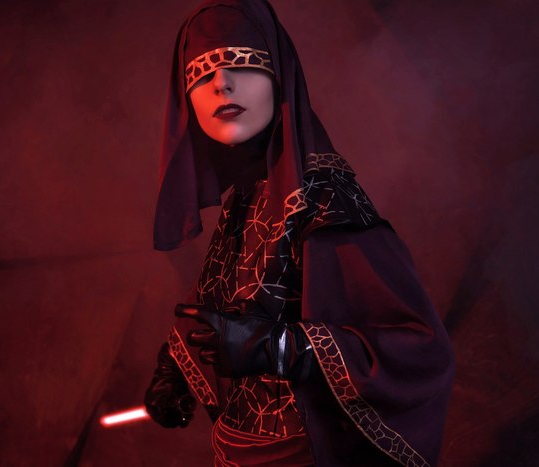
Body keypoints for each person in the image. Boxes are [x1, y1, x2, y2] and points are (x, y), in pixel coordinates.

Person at [144, 1, 455, 466]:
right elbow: (228, 296)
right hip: (236, 449)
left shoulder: (325, 200)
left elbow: (418, 348)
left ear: (279, 76)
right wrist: (175, 365)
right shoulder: (250, 193)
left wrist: (281, 347)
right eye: (201, 73)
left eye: (243, 62)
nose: (222, 82)